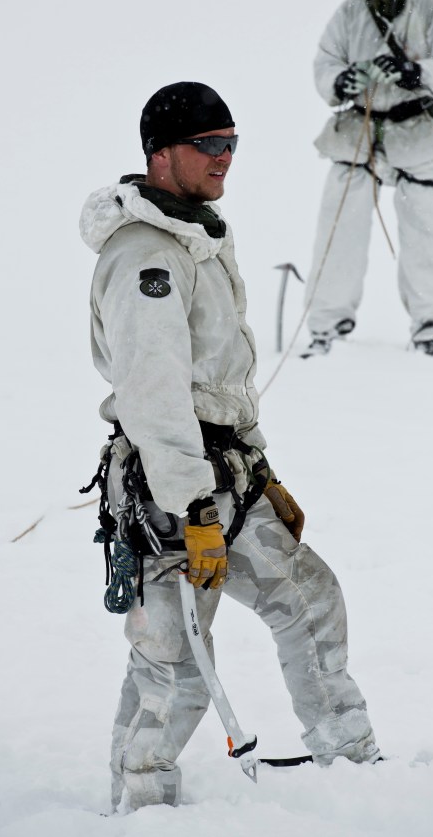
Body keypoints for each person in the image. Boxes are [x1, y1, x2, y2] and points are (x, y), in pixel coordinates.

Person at [79, 81, 381, 813]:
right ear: (160, 155)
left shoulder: (197, 232)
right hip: (172, 487)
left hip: (230, 476)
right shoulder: (146, 257)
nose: (226, 158)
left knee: (310, 600)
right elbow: (154, 395)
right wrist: (193, 509)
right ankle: (140, 807)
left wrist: (262, 471)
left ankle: (355, 765)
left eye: (232, 143)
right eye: (209, 145)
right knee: (176, 664)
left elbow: (217, 378)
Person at [303, 0, 433, 357]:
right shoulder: (349, 13)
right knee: (339, 225)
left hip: (417, 130)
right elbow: (325, 64)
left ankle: (430, 322)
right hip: (358, 129)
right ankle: (326, 323)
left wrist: (416, 72)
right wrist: (343, 81)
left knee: (427, 226)